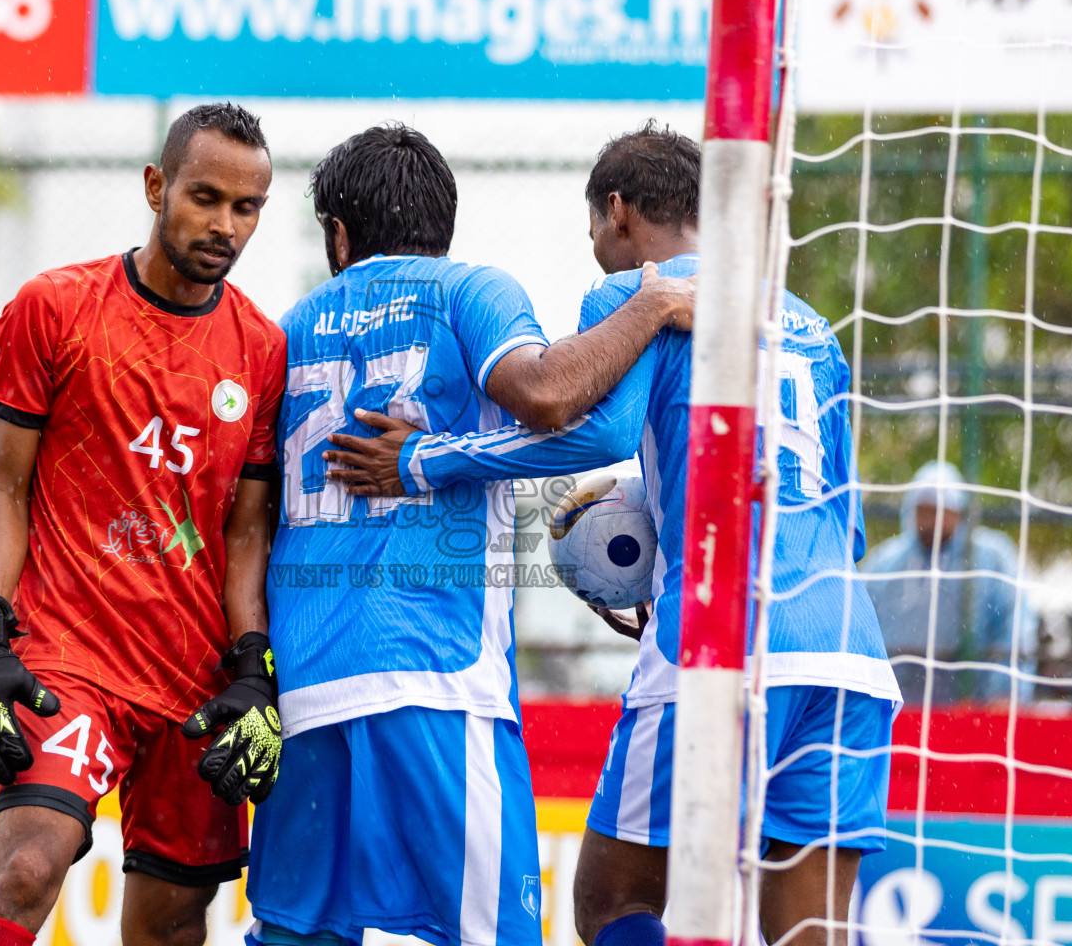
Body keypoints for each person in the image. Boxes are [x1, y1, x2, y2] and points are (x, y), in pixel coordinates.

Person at [324, 122, 901, 946]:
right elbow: (837, 523)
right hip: (846, 647)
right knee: (808, 929)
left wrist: (422, 459)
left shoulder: (636, 291)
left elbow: (587, 436)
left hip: (718, 635)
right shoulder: (806, 321)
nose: (596, 245)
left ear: (620, 213)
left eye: (593, 225)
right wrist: (661, 527)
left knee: (609, 899)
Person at [246, 123, 694, 946]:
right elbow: (563, 409)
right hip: (435, 671)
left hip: (304, 684)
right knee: (496, 934)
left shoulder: (287, 327)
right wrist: (653, 302)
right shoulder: (469, 290)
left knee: (297, 935)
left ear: (338, 235)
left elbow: (249, 512)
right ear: (442, 220)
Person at [0, 103, 287, 946]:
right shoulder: (52, 309)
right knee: (26, 865)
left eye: (246, 207)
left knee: (171, 927)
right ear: (155, 186)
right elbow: (7, 487)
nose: (224, 224)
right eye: (205, 197)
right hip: (72, 656)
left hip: (194, 685)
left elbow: (246, 533)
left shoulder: (262, 350)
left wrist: (254, 669)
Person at [860, 460, 1035, 704]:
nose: (934, 519)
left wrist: (1005, 693)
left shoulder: (993, 559)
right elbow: (860, 629)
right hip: (897, 708)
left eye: (943, 509)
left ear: (960, 512)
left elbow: (1016, 629)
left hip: (974, 708)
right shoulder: (883, 565)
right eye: (927, 509)